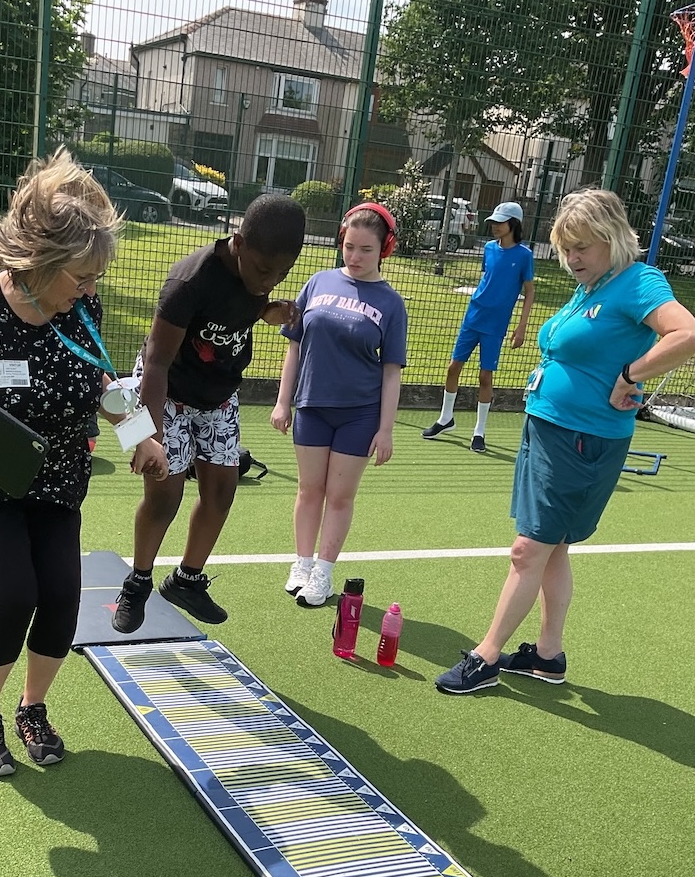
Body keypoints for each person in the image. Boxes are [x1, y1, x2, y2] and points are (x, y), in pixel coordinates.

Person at [0, 147, 168, 777]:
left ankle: (33, 709)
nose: (90, 289)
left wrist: (142, 437)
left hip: (56, 478)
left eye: (94, 279)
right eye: (81, 276)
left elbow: (107, 388)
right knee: (15, 592)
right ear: (39, 262)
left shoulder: (81, 309)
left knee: (61, 596)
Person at [436, 187, 695, 694]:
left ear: (613, 238)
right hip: (549, 429)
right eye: (566, 247)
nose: (573, 258)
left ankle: (487, 656)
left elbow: (686, 333)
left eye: (584, 246)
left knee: (527, 550)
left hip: (583, 439)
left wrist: (632, 374)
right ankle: (549, 655)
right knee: (551, 549)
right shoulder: (590, 288)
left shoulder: (638, 281)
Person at [110, 194, 306, 633]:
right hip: (167, 391)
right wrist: (151, 436)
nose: (269, 280)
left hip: (218, 394)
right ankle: (138, 582)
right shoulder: (189, 282)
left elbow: (243, 302)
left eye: (281, 273)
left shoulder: (258, 275)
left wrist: (266, 310)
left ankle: (187, 579)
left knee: (222, 490)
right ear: (238, 243)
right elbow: (157, 361)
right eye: (262, 270)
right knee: (166, 495)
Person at [270, 202, 407, 606]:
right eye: (349, 246)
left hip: (360, 414)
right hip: (311, 407)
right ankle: (302, 563)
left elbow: (391, 371)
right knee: (309, 490)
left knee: (339, 495)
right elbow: (293, 347)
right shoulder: (317, 283)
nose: (355, 256)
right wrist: (283, 402)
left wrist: (386, 429)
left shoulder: (391, 303)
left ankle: (324, 573)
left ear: (384, 249)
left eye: (366, 249)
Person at [422, 201, 535, 452]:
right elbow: (488, 278)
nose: (495, 227)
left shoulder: (524, 256)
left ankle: (479, 432)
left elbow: (529, 292)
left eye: (500, 222)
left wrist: (521, 327)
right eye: (493, 222)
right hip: (473, 317)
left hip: (496, 325)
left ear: (513, 224)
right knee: (453, 368)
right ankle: (445, 419)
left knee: (485, 376)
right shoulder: (488, 248)